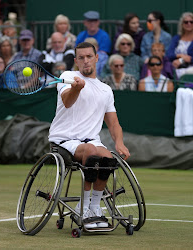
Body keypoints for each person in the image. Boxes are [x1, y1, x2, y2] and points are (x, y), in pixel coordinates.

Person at [48, 42, 130, 229]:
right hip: (63, 140)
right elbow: (67, 102)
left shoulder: (105, 90)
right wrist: (77, 88)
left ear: (96, 58)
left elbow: (114, 123)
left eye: (89, 57)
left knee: (108, 157)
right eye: (81, 58)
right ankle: (82, 207)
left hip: (90, 141)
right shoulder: (68, 76)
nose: (86, 61)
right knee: (93, 151)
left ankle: (94, 207)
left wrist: (119, 142)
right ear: (76, 61)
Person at [166, 12, 193, 79]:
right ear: (182, 24)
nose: (189, 24)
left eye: (191, 22)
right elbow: (169, 54)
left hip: (191, 67)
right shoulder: (176, 38)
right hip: (175, 66)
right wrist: (180, 55)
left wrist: (181, 60)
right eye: (186, 22)